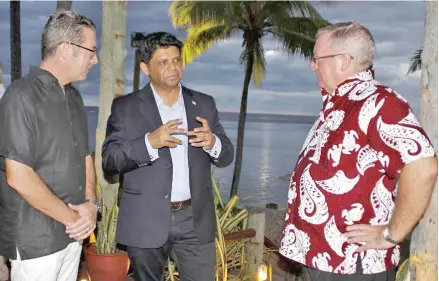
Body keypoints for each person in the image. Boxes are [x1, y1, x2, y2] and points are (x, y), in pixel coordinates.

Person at [279, 22, 437, 281]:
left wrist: (391, 234)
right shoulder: (340, 105)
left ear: (344, 61)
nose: (312, 65)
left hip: (352, 264)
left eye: (317, 58)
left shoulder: (380, 103)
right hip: (322, 260)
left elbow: (423, 167)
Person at [102, 31, 234, 281]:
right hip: (145, 219)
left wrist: (212, 142)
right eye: (163, 62)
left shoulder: (204, 104)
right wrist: (149, 143)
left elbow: (226, 155)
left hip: (194, 219)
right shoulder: (125, 108)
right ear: (145, 68)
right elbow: (110, 161)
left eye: (176, 60)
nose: (173, 67)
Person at [0, 10, 99, 281]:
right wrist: (73, 218)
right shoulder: (20, 96)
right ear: (66, 49)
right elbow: (18, 176)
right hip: (37, 241)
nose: (95, 59)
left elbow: (85, 156)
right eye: (91, 50)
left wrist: (91, 205)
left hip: (72, 236)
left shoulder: (75, 98)